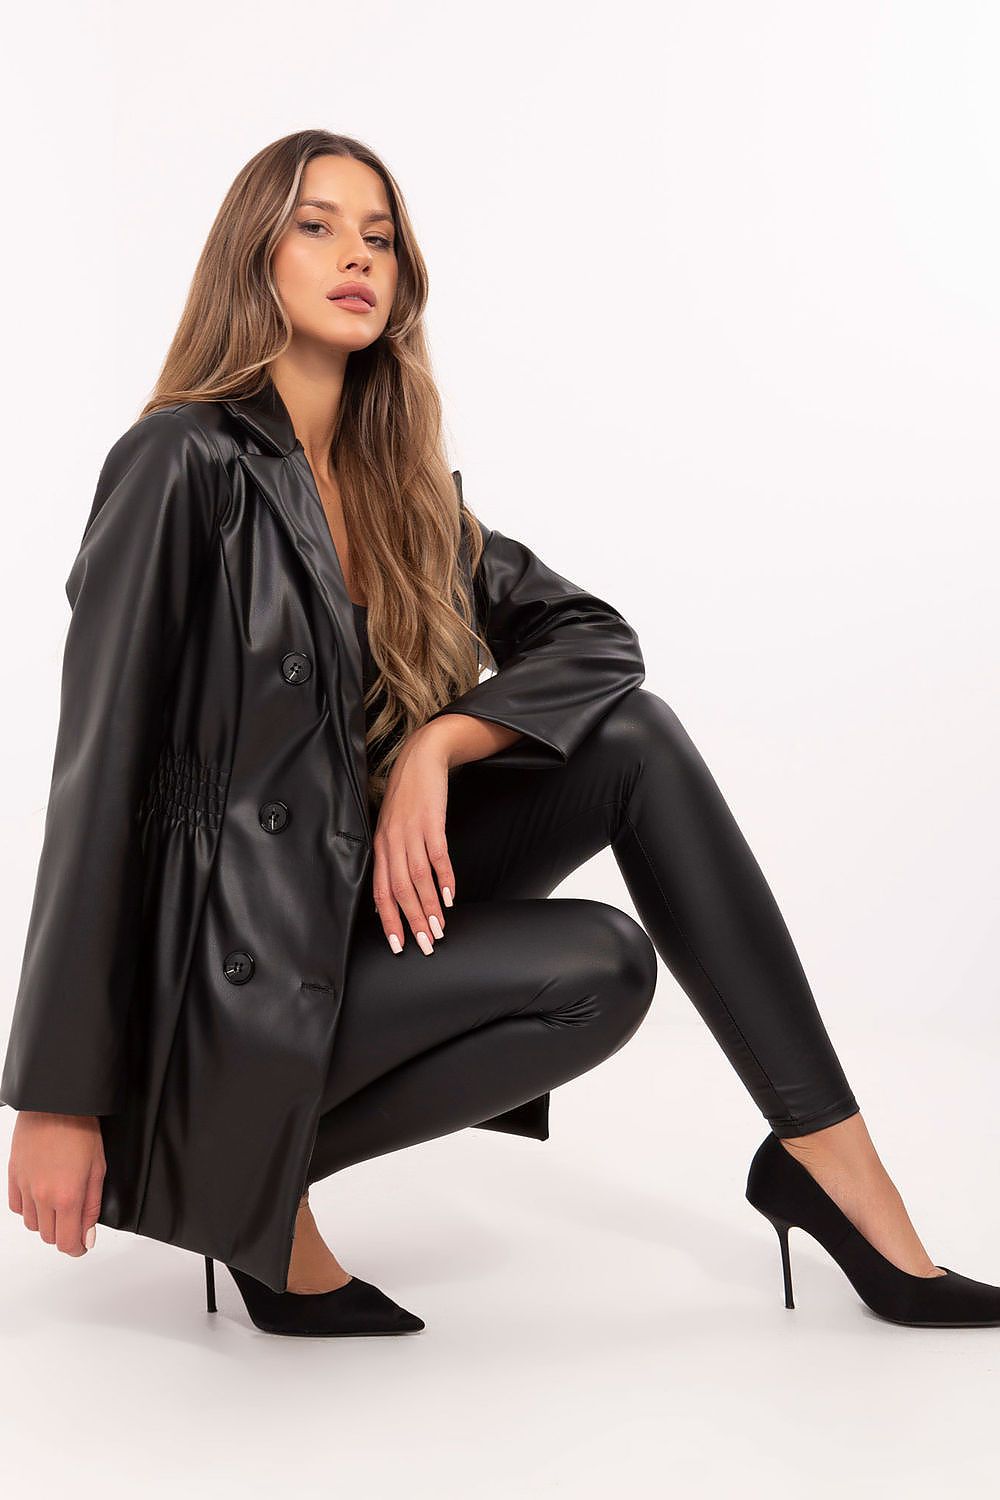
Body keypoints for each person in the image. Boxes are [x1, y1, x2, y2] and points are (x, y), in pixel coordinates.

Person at [4, 130, 999, 1339]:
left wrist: (442, 744)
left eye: (380, 237)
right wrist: (55, 1097)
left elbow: (594, 638)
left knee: (633, 749)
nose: (356, 256)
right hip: (228, 983)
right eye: (317, 225)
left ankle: (827, 1160)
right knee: (604, 957)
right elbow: (95, 776)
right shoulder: (180, 461)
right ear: (251, 254)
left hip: (343, 919)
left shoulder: (399, 491)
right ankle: (238, 1180)